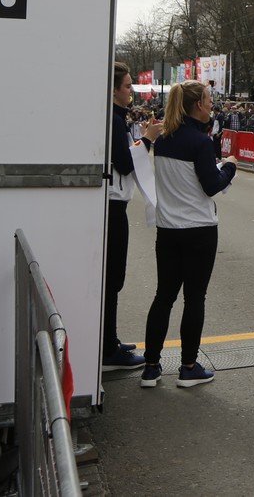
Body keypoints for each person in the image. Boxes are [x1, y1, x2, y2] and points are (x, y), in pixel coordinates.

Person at [141, 80, 238, 389]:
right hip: (199, 230)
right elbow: (211, 186)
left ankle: (151, 367)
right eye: (209, 99)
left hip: (168, 230)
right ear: (198, 105)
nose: (212, 105)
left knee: (164, 297)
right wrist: (230, 167)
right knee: (194, 298)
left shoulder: (164, 139)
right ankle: (188, 367)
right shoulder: (200, 142)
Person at [104, 62, 162, 373]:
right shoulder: (113, 120)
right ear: (113, 89)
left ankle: (109, 340)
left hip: (114, 205)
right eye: (127, 86)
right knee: (112, 279)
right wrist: (148, 139)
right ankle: (107, 349)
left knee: (112, 279)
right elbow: (125, 164)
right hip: (112, 207)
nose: (131, 92)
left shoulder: (116, 118)